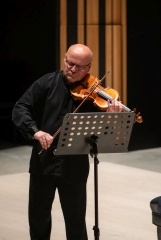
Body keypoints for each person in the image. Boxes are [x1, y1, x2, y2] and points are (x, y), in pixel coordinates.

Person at [12, 44, 123, 240]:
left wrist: (111, 118)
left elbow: (104, 135)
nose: (73, 69)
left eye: (80, 67)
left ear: (89, 67)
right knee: (38, 219)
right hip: (43, 162)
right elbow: (20, 108)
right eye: (70, 63)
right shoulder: (47, 83)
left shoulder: (95, 95)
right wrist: (36, 132)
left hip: (74, 166)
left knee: (76, 222)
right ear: (65, 59)